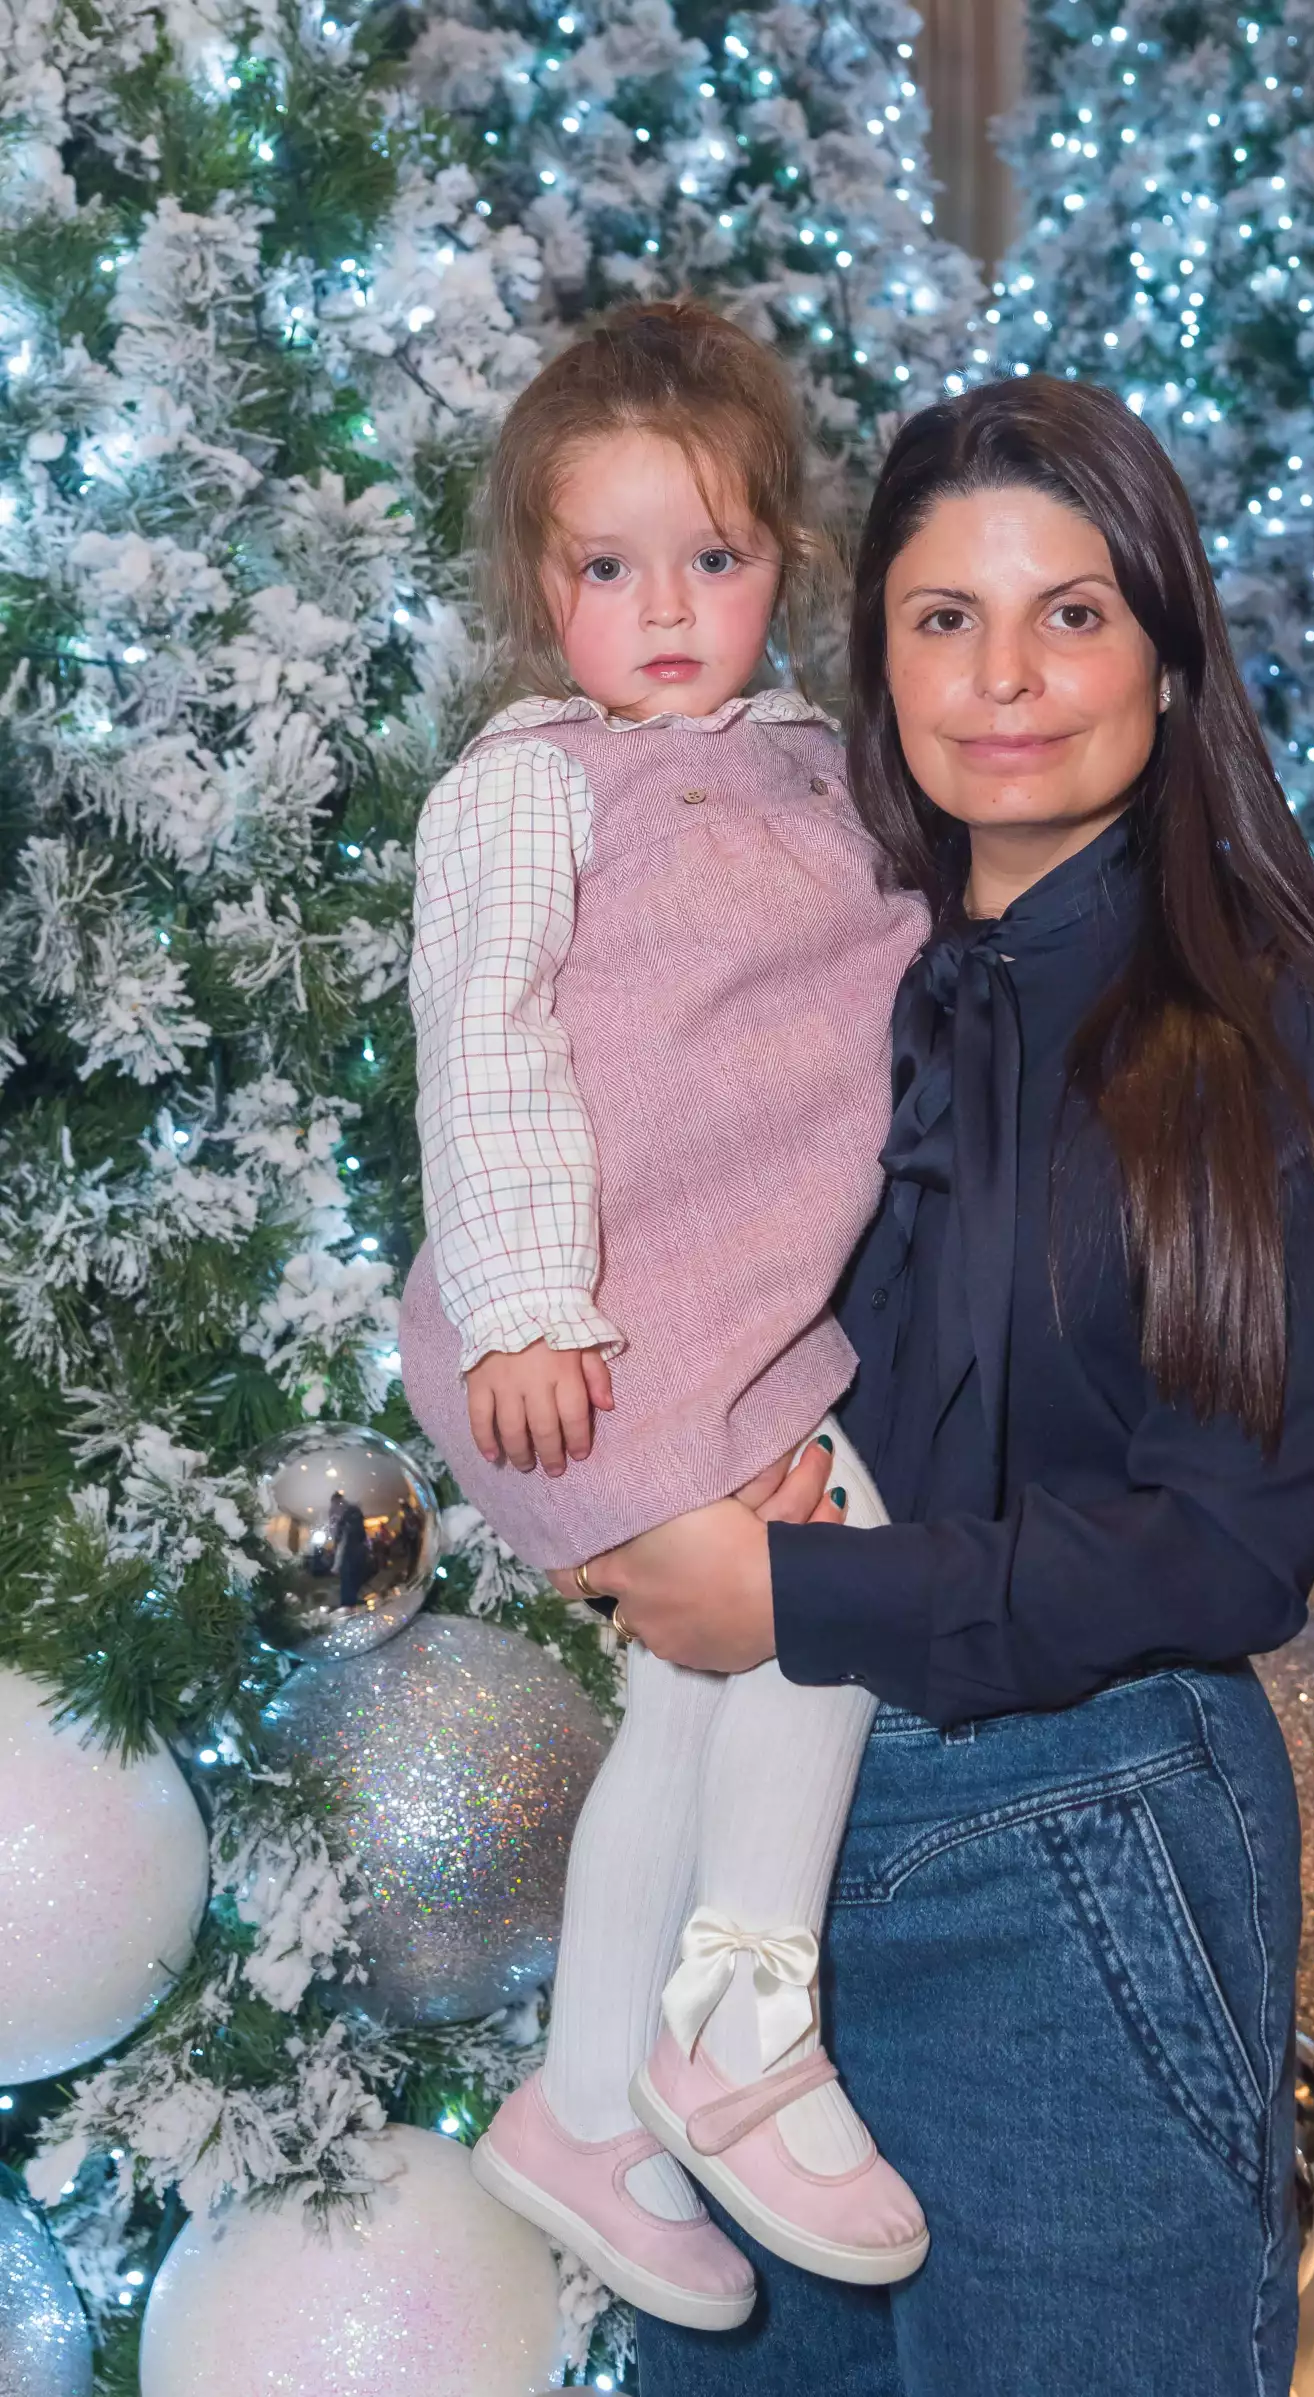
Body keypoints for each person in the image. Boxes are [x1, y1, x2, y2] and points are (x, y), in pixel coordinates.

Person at [567, 376, 1314, 2397]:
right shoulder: (793, 974)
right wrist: (617, 1518)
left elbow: (1221, 1551)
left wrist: (788, 1600)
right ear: (870, 652)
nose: (1004, 679)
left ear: (1165, 647)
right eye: (941, 616)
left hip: (1072, 1852)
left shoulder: (1256, 1034)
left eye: (1071, 613)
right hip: (741, 1868)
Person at [397, 299, 931, 2335]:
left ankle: (590, 2101)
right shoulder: (527, 786)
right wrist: (531, 1302)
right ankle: (741, 2017)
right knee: (831, 1589)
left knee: (692, 1693)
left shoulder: (806, 763)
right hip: (585, 1320)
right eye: (608, 568)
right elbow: (487, 1043)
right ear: (543, 587)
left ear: (781, 560)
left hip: (733, 1315)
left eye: (711, 560)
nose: (666, 610)